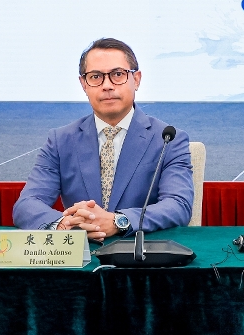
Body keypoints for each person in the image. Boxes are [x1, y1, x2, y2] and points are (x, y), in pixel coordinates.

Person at [13, 38, 194, 239]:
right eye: (96, 77)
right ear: (84, 84)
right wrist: (67, 226)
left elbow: (178, 205)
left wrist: (118, 221)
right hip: (81, 252)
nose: (107, 85)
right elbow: (27, 204)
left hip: (140, 252)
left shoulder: (168, 139)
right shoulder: (61, 140)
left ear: (136, 79)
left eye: (118, 74)